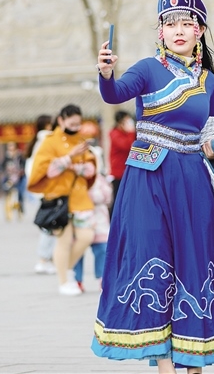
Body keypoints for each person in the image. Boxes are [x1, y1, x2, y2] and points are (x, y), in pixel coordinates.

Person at [92, 0, 214, 371]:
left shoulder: (209, 82)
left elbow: (210, 129)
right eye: (171, 23)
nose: (179, 30)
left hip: (191, 180)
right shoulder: (147, 69)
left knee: (194, 263)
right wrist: (106, 73)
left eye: (187, 23)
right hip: (148, 179)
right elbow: (115, 93)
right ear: (161, 31)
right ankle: (164, 366)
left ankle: (195, 361)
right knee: (153, 260)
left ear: (200, 31)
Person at [27, 104, 97, 296]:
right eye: (71, 124)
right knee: (63, 241)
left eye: (78, 124)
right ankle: (64, 281)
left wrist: (71, 166)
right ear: (61, 120)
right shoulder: (50, 142)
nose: (75, 127)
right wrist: (70, 157)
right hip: (58, 199)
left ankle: (65, 269)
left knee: (86, 236)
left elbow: (90, 169)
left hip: (80, 198)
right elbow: (47, 171)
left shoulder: (81, 141)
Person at [73, 145, 112, 292]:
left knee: (102, 250)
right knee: (77, 251)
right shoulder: (75, 179)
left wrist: (87, 197)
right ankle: (76, 279)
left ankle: (102, 278)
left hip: (99, 222)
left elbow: (107, 196)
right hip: (80, 221)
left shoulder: (99, 179)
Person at [25, 114, 57, 275]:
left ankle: (48, 259)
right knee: (50, 225)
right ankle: (44, 259)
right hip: (48, 189)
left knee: (50, 224)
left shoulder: (35, 142)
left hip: (39, 189)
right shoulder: (47, 140)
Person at [108, 110, 136, 207]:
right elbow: (126, 146)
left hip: (128, 171)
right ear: (120, 123)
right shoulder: (115, 134)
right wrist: (131, 132)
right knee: (118, 200)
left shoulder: (128, 134)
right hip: (119, 173)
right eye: (127, 121)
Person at [0, 141, 26, 219]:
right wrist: (0, 170)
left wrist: (22, 170)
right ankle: (8, 208)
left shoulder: (19, 156)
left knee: (20, 192)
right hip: (9, 177)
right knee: (6, 187)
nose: (10, 148)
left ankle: (20, 207)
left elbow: (24, 164)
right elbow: (1, 165)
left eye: (12, 146)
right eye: (9, 146)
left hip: (19, 177)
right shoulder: (7, 156)